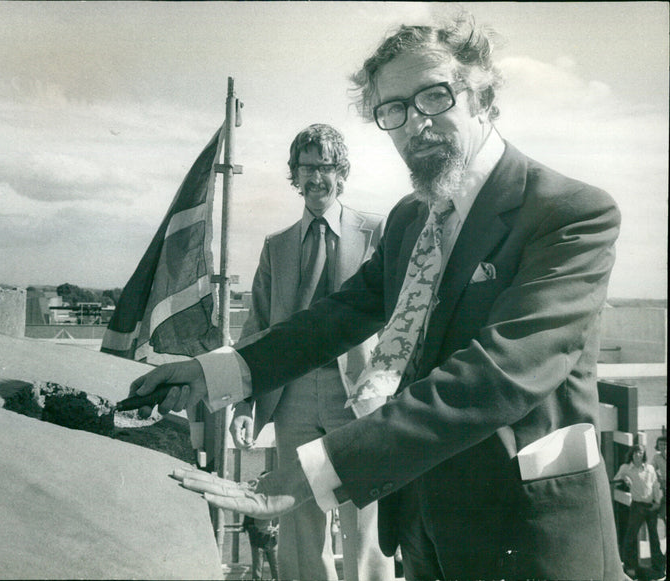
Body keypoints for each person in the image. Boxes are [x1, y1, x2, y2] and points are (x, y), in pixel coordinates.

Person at [129, 5, 624, 579]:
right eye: (393, 110)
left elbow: (500, 373)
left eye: (434, 97)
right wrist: (216, 372)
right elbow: (336, 318)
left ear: (483, 97)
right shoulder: (412, 219)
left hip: (525, 538)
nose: (414, 125)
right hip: (421, 531)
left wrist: (320, 467)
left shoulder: (569, 213)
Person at [230, 123, 394, 581]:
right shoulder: (276, 246)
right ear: (295, 175)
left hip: (357, 393)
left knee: (365, 514)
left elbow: (402, 319)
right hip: (292, 395)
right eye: (307, 167)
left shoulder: (376, 233)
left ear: (341, 173)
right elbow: (255, 330)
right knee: (298, 515)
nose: (316, 177)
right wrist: (244, 402)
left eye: (325, 167)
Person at [614, 444, 664, 578]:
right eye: (635, 452)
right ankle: (630, 568)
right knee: (631, 537)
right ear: (632, 454)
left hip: (651, 507)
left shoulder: (650, 468)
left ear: (644, 454)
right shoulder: (625, 468)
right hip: (637, 507)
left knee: (654, 538)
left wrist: (658, 502)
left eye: (640, 452)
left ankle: (658, 568)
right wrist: (624, 479)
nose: (638, 455)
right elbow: (615, 481)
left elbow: (655, 485)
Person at [243, 514, 279, 580]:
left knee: (277, 570)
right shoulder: (252, 509)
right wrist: (261, 529)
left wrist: (277, 529)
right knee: (257, 573)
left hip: (272, 543)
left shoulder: (275, 509)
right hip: (257, 544)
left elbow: (281, 523)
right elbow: (246, 526)